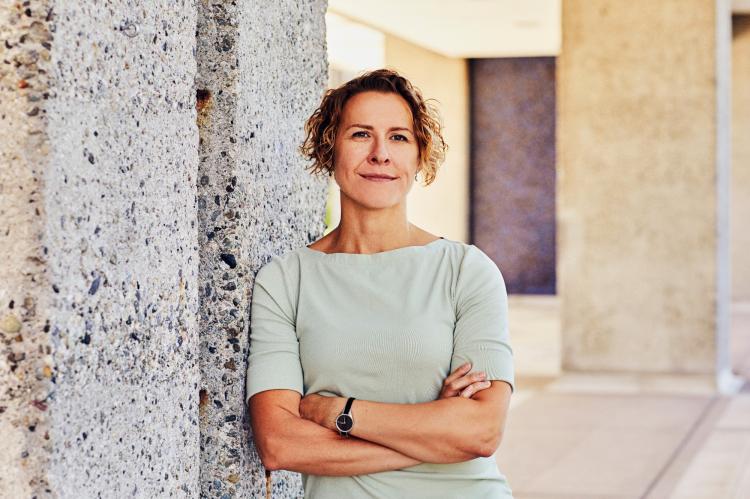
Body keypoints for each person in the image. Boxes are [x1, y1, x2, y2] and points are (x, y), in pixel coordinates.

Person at [245, 68, 515, 498]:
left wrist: (339, 412)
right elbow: (280, 444)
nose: (380, 154)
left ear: (419, 155)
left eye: (399, 137)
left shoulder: (466, 271)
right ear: (329, 149)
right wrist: (435, 432)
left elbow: (481, 431)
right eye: (360, 135)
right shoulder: (285, 281)